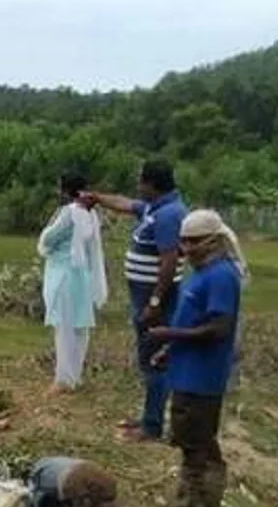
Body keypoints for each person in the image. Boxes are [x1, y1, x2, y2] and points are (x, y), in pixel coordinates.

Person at [144, 209, 244, 507]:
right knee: (203, 444)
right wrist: (169, 351)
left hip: (202, 377)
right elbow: (193, 322)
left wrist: (167, 336)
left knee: (193, 447)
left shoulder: (221, 277)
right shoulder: (200, 272)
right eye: (183, 241)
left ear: (213, 240)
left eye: (194, 241)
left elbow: (218, 329)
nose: (187, 248)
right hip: (188, 371)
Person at [85, 160, 188, 442]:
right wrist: (97, 198)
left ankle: (152, 426)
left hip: (156, 300)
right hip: (145, 296)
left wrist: (155, 301)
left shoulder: (168, 215)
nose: (137, 185)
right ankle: (148, 417)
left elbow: (169, 261)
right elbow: (125, 203)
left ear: (153, 185)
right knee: (149, 357)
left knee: (153, 360)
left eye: (141, 181)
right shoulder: (155, 208)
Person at [37, 173, 108, 392]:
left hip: (65, 275)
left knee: (65, 327)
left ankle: (64, 380)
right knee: (79, 327)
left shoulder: (68, 214)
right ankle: (74, 375)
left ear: (66, 191)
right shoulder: (90, 214)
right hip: (82, 276)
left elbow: (49, 239)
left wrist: (47, 238)